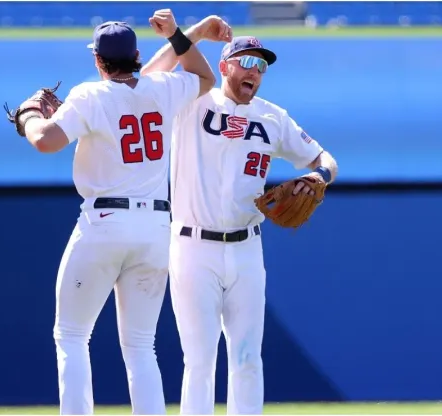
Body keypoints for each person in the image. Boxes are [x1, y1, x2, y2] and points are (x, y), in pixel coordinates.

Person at [10, 12, 215, 415]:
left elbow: (46, 142)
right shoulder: (162, 88)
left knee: (71, 334)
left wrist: (29, 115)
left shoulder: (90, 95)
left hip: (104, 223)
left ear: (98, 61)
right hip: (157, 227)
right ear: (137, 55)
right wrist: (178, 36)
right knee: (141, 345)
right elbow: (204, 78)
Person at [141, 16, 339, 415]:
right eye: (247, 61)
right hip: (193, 246)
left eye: (262, 66)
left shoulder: (272, 117)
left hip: (247, 249)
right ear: (225, 65)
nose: (255, 71)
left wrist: (317, 176)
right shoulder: (194, 99)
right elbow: (147, 78)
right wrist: (190, 34)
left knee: (248, 358)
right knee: (199, 360)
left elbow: (327, 160)